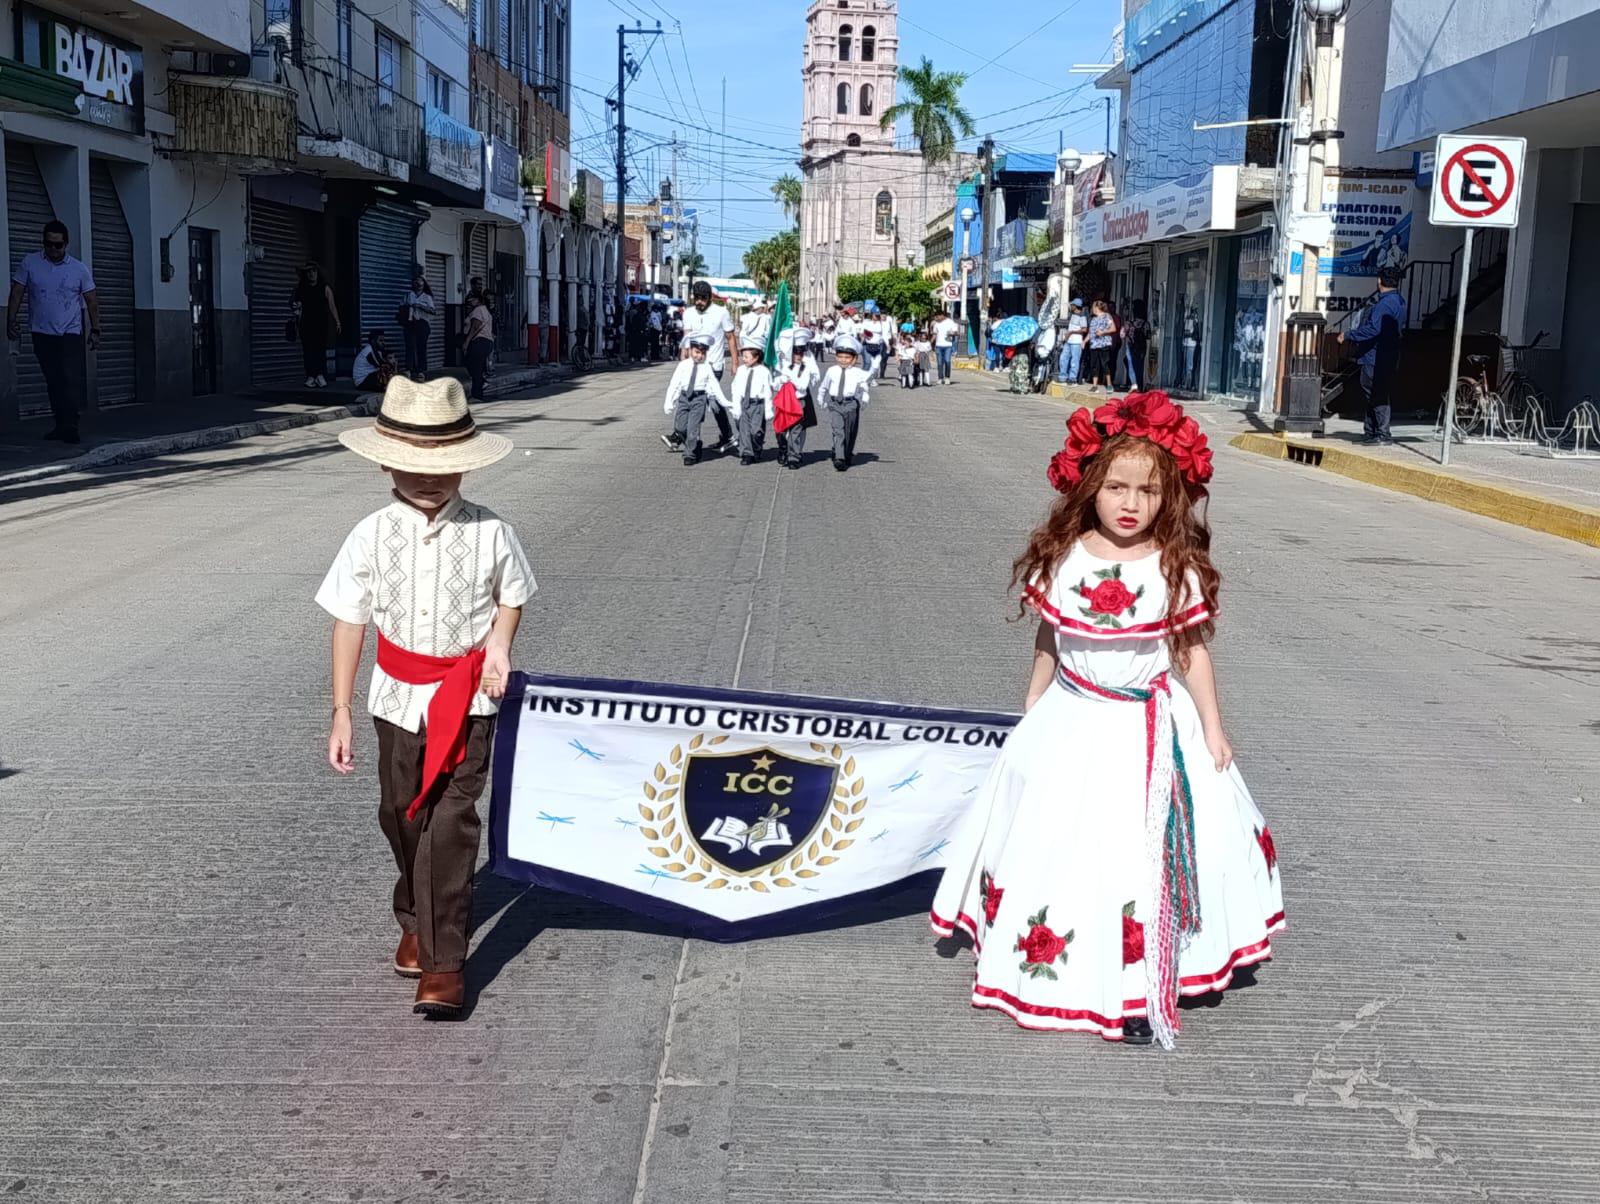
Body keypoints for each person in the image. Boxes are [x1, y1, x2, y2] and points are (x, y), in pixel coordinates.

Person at [931, 391, 1282, 1047]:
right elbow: (1048, 635)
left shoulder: (1173, 567)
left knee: (1136, 857)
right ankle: (1048, 966)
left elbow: (1191, 653)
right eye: (1116, 487)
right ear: (1089, 485)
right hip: (1071, 720)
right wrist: (1034, 701)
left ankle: (1139, 988)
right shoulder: (1066, 559)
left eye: (1148, 491)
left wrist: (1212, 728)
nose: (1131, 503)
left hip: (1146, 731)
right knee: (1062, 847)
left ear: (1169, 494)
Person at [318, 376, 534, 1018]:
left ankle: (444, 963)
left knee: (450, 821)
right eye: (415, 466)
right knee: (402, 813)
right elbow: (348, 619)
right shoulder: (369, 533)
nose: (432, 479)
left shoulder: (493, 531)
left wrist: (499, 645)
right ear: (385, 462)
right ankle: (414, 913)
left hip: (469, 699)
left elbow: (512, 594)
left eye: (447, 467)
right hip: (395, 699)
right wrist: (340, 710)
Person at [5, 219, 100, 443]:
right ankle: (60, 424)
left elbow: (92, 300)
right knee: (53, 380)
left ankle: (71, 425)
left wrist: (95, 329)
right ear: (44, 243)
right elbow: (17, 292)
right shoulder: (30, 263)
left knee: (69, 378)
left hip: (70, 332)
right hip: (41, 332)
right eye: (49, 244)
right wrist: (11, 319)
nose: (53, 249)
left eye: (58, 245)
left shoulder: (78, 268)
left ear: (66, 244)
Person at [1339, 267, 1407, 444]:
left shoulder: (1384, 304)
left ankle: (1382, 433)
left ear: (1379, 281)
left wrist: (1348, 335)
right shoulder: (1399, 301)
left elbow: (1373, 329)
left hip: (1376, 355)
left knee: (1377, 393)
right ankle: (1371, 431)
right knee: (1373, 392)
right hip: (1387, 354)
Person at [676, 281, 737, 454]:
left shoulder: (721, 313)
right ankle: (726, 435)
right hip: (694, 366)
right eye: (697, 298)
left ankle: (691, 441)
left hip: (714, 366)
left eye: (703, 298)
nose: (699, 302)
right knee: (710, 402)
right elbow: (686, 340)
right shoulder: (688, 313)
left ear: (710, 297)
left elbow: (731, 337)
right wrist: (683, 361)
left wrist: (735, 362)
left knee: (701, 400)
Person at [662, 333, 733, 465]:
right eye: (697, 352)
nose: (699, 356)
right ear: (690, 350)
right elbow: (674, 384)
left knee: (693, 429)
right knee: (680, 427)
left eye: (703, 353)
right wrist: (669, 401)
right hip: (684, 398)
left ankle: (690, 454)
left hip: (699, 399)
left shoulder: (706, 367)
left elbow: (714, 386)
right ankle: (696, 444)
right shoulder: (683, 365)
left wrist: (724, 401)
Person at [818, 334, 871, 472]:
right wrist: (821, 398)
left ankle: (845, 453)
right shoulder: (831, 371)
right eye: (840, 357)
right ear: (836, 357)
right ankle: (839, 458)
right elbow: (824, 386)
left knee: (850, 431)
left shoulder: (858, 372)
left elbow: (864, 387)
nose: (843, 360)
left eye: (847, 357)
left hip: (851, 404)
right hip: (835, 404)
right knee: (839, 430)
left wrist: (864, 398)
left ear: (854, 359)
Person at [775, 331, 820, 469]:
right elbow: (775, 383)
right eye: (795, 352)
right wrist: (780, 380)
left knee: (797, 429)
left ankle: (794, 456)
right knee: (780, 429)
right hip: (784, 400)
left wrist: (791, 377)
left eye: (801, 352)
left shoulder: (806, 364)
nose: (799, 355)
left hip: (799, 400)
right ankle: (783, 449)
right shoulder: (784, 361)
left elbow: (805, 383)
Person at [293, 262, 341, 388]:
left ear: (317, 273)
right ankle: (310, 376)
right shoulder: (301, 288)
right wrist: (296, 312)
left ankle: (320, 375)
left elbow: (332, 305)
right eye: (309, 272)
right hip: (305, 324)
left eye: (314, 271)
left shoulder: (324, 288)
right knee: (308, 350)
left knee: (320, 350)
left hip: (321, 325)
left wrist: (337, 321)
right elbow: (296, 304)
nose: (312, 274)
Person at [730, 340, 775, 466]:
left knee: (756, 432)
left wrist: (768, 409)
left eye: (746, 357)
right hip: (745, 403)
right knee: (744, 431)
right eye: (743, 356)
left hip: (758, 404)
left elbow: (767, 391)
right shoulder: (741, 370)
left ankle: (756, 448)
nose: (743, 359)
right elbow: (736, 388)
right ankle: (746, 454)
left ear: (756, 357)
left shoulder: (764, 371)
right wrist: (736, 406)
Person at [400, 273, 436, 382]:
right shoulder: (408, 295)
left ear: (424, 283)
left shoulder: (427, 297)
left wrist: (420, 306)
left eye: (420, 281)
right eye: (416, 281)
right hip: (410, 323)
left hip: (422, 323)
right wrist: (407, 307)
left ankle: (421, 371)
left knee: (421, 348)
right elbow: (401, 308)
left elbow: (433, 311)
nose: (418, 283)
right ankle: (409, 369)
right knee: (409, 346)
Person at [462, 291, 495, 401]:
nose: (470, 301)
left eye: (472, 299)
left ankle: (477, 394)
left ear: (478, 300)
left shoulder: (478, 310)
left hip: (479, 341)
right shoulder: (485, 310)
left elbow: (475, 327)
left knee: (475, 367)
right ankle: (480, 387)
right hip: (486, 342)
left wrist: (466, 342)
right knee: (477, 367)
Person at [1085, 299, 1118, 392]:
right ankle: (1095, 385)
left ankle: (1109, 384)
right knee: (1094, 365)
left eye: (1093, 307)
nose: (1092, 309)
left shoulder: (1107, 316)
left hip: (1104, 343)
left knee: (1105, 364)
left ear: (1097, 307)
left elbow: (1113, 328)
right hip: (1094, 344)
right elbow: (1091, 333)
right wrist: (1084, 341)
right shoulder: (1093, 319)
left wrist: (1103, 332)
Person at [1121, 300, 1151, 392]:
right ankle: (1140, 385)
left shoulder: (1128, 323)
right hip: (1142, 347)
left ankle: (1134, 384)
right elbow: (1148, 336)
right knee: (1140, 365)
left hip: (1130, 346)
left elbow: (1122, 335)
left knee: (1131, 364)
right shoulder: (1146, 323)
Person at [1058, 298, 1087, 385]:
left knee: (1074, 360)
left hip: (1076, 341)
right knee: (1063, 358)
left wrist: (1072, 332)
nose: (1071, 306)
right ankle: (1063, 377)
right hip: (1069, 340)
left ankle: (1072, 378)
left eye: (1072, 305)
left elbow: (1084, 329)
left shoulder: (1082, 316)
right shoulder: (1072, 315)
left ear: (1076, 306)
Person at [933, 312, 959, 384]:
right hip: (938, 345)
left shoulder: (951, 322)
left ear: (942, 316)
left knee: (947, 361)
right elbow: (935, 334)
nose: (937, 318)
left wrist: (952, 333)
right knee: (939, 362)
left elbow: (956, 332)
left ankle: (947, 377)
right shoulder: (936, 324)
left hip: (948, 345)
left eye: (938, 316)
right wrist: (930, 343)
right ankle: (940, 378)